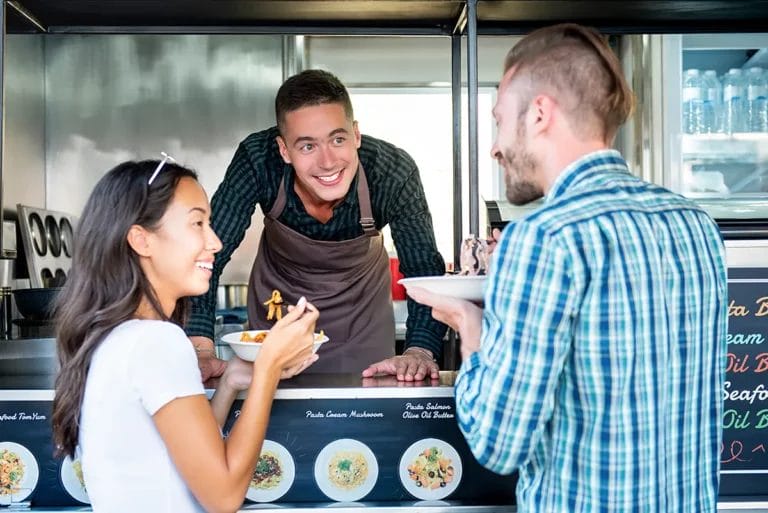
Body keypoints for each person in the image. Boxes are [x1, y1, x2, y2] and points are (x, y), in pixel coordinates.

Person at [403, 23, 728, 512]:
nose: (496, 145)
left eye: (499, 120)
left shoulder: (543, 238)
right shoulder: (696, 225)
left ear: (538, 114)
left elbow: (498, 443)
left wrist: (472, 327)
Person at [52, 159, 319, 513]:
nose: (215, 241)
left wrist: (231, 384)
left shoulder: (117, 335)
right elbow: (223, 496)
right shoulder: (157, 342)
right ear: (141, 239)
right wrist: (268, 367)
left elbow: (179, 455)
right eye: (197, 223)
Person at [187, 69, 447, 381]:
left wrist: (419, 349)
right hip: (279, 313)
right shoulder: (258, 160)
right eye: (308, 146)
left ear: (356, 135)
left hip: (361, 319)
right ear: (284, 150)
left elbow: (423, 270)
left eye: (338, 139)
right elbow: (207, 251)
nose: (327, 162)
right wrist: (200, 347)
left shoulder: (391, 172)